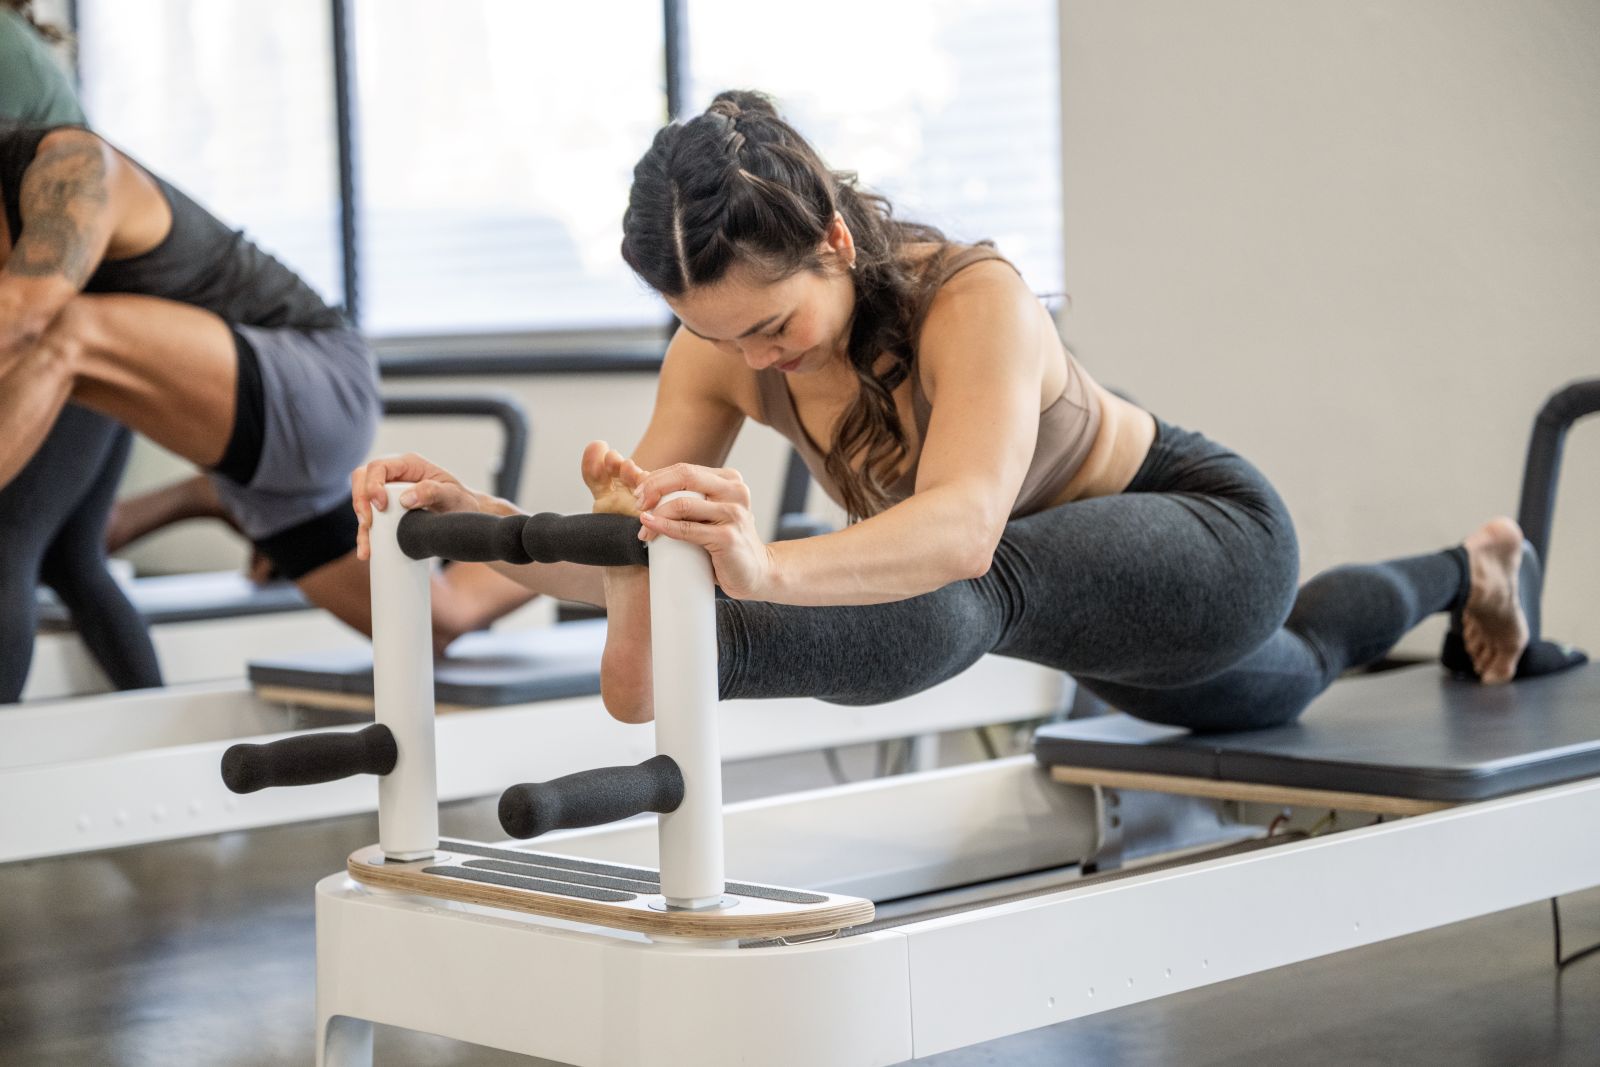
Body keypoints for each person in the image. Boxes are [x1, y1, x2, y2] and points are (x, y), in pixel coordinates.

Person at [352, 89, 1533, 732]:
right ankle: (1466, 563)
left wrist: (750, 575)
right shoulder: (718, 352)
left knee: (971, 580)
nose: (745, 356)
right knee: (1289, 678)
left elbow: (963, 527)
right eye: (713, 334)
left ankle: (698, 658)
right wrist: (493, 520)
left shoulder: (969, 294)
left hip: (1203, 535)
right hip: (1087, 620)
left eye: (770, 324)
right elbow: (630, 542)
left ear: (829, 240)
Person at [0, 107, 539, 696]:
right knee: (437, 622)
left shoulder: (71, 167)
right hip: (249, 458)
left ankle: (206, 495)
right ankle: (590, 544)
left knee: (64, 329)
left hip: (315, 381)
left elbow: (24, 316)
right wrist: (581, 550)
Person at [0, 0, 161, 700]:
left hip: (72, 339)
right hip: (98, 333)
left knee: (7, 551)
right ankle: (188, 786)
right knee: (73, 561)